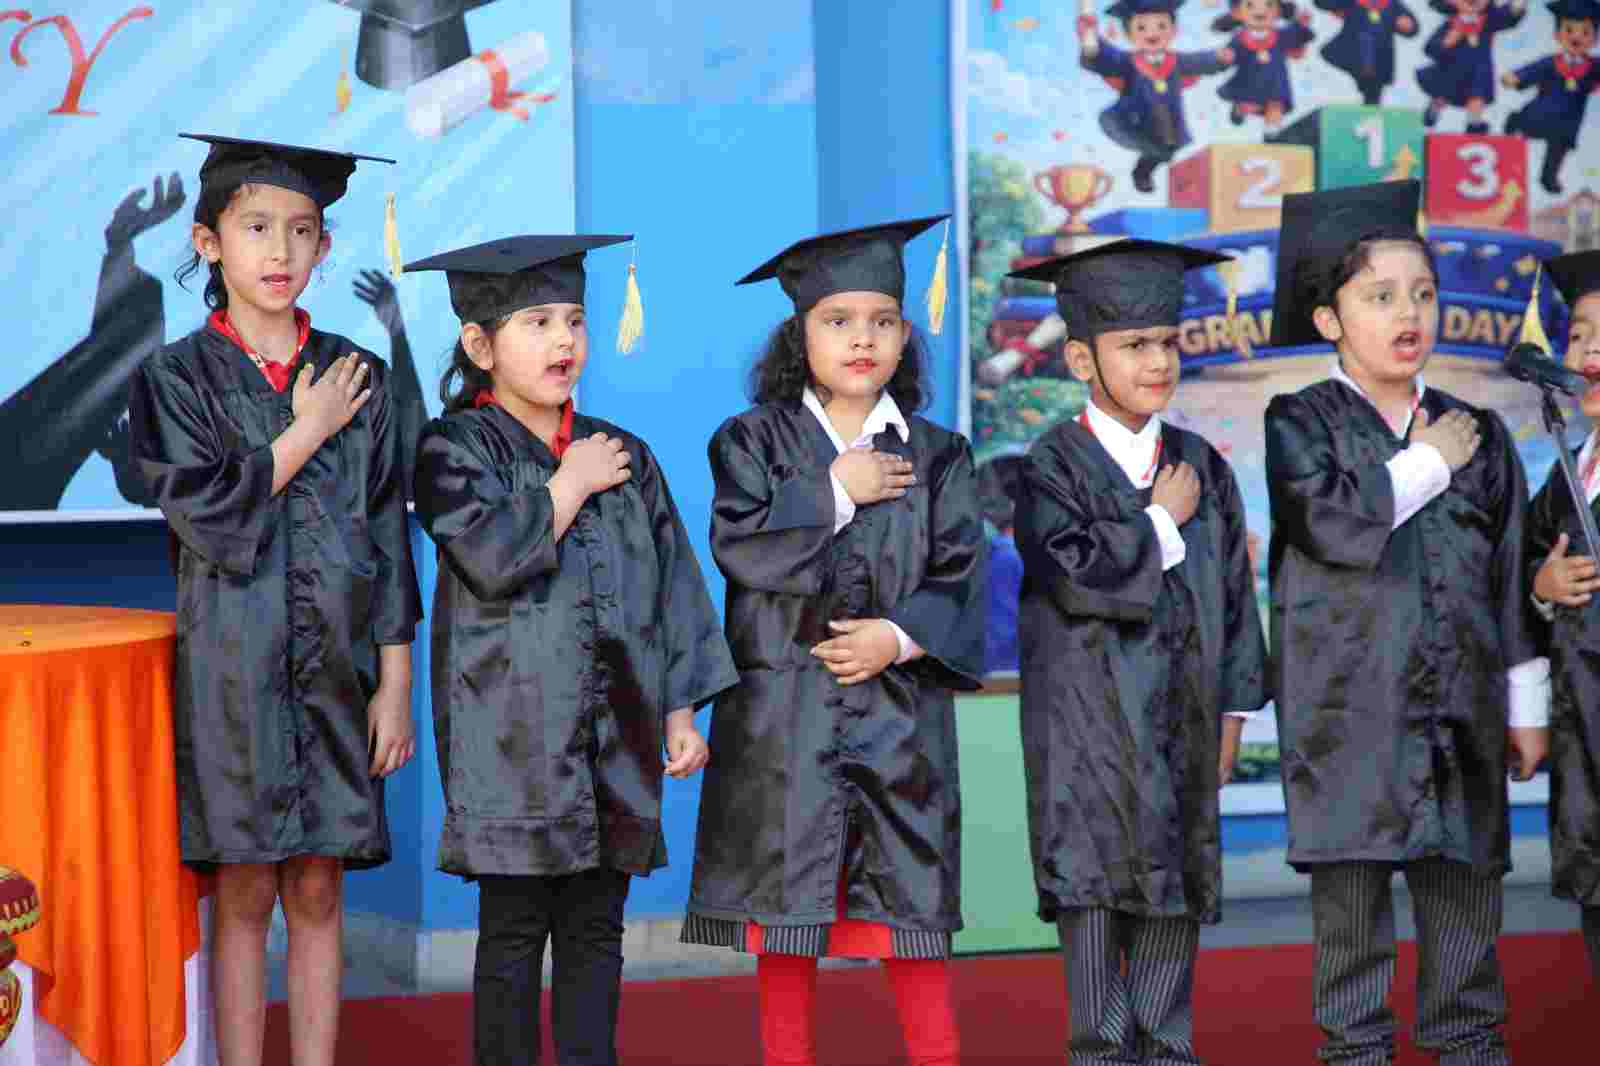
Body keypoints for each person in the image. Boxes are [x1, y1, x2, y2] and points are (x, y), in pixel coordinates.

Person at [408, 234, 738, 1066]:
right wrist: (569, 483)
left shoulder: (623, 453)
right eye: (538, 322)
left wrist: (680, 711)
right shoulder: (454, 450)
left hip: (615, 735)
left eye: (575, 320)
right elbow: (490, 557)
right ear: (480, 344)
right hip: (508, 739)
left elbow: (673, 585)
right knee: (514, 932)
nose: (564, 340)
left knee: (597, 931)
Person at [128, 134, 420, 1066]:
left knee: (322, 885)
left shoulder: (356, 373)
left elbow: (386, 533)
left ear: (325, 246)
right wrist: (307, 429)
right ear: (209, 242)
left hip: (337, 669)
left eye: (301, 230)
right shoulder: (175, 378)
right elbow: (208, 516)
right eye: (255, 228)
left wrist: (395, 682)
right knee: (246, 888)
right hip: (233, 668)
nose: (280, 250)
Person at [681, 216, 987, 1066]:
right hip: (787, 720)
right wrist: (835, 490)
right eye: (838, 320)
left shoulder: (939, 455)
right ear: (800, 334)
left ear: (905, 336)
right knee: (788, 928)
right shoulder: (750, 441)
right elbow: (743, 549)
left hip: (900, 722)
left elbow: (964, 576)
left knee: (912, 925)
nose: (862, 339)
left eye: (882, 321)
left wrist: (898, 637)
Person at [1263, 179, 1550, 1065]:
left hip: (1460, 709)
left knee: (1464, 916)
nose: (1408, 314)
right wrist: (1426, 461)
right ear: (1329, 320)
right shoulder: (1299, 422)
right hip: (1347, 712)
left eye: (1423, 294)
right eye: (1381, 296)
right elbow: (1330, 526)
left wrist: (1526, 706)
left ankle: (1467, 1047)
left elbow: (1509, 572)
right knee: (1352, 933)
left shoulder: (1481, 432)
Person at [1009, 239, 1269, 1065]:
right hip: (1085, 734)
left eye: (1167, 342)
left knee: (1169, 893)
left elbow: (1234, 599)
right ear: (1081, 359)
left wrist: (1233, 715)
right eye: (1134, 346)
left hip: (1181, 728)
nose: (1158, 362)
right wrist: (1158, 521)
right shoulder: (1049, 466)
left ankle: (1169, 1053)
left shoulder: (1201, 464)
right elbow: (1074, 578)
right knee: (1094, 895)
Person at [1524, 248, 1600, 979]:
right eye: (1579, 334)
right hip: (1587, 752)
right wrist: (1542, 585)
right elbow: (1520, 567)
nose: (1590, 352)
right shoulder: (1568, 473)